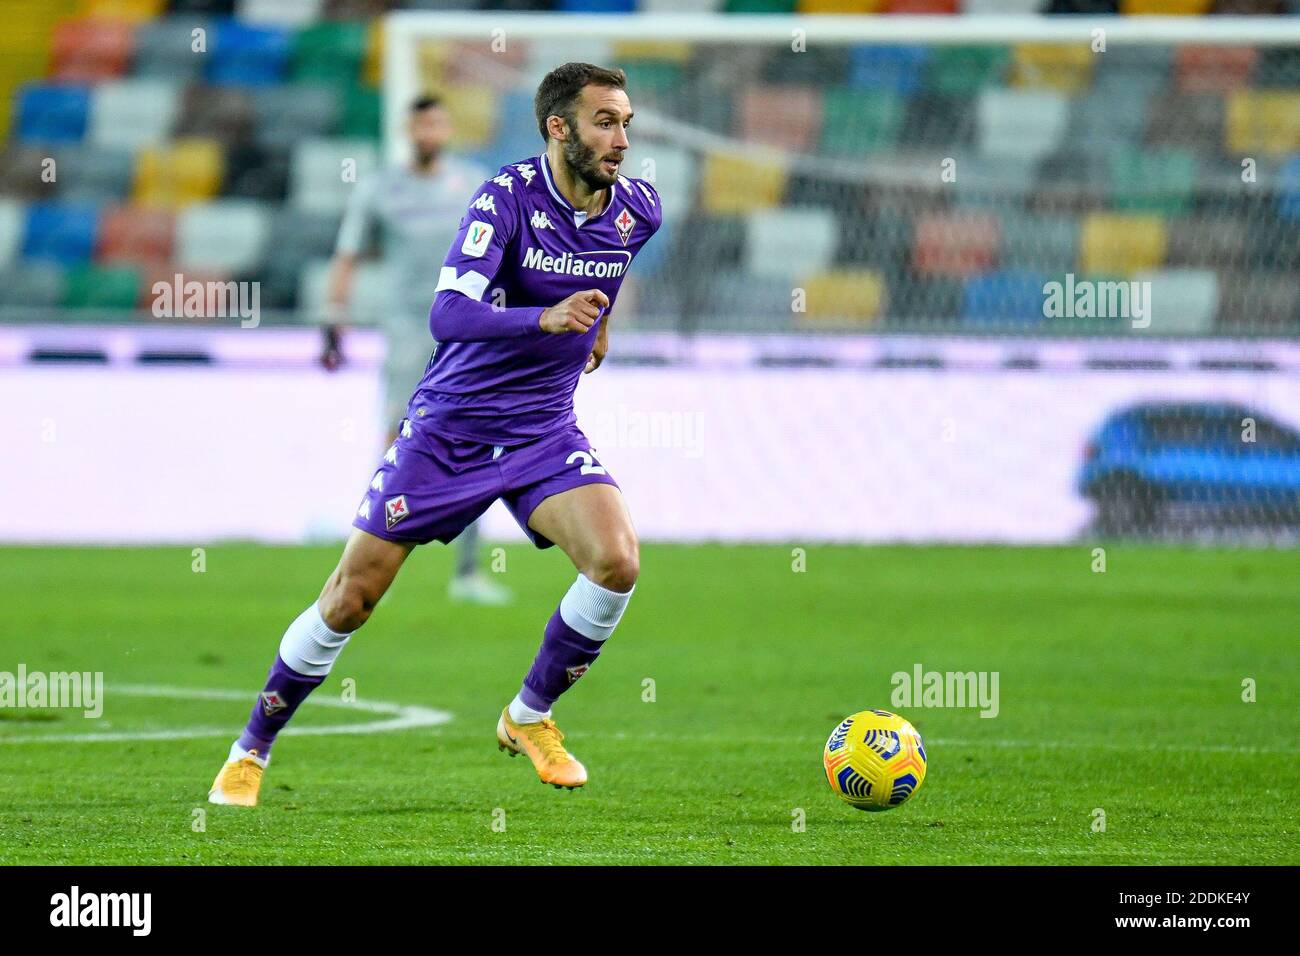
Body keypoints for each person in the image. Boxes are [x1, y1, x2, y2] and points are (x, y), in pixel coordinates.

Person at [209, 63, 661, 806]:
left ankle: (529, 716)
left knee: (616, 562)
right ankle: (249, 750)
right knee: (353, 597)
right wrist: (543, 319)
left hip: (542, 428)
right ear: (559, 127)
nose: (621, 139)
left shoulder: (638, 209)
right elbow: (447, 316)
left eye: (627, 123)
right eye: (605, 122)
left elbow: (612, 263)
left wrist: (600, 319)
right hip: (450, 428)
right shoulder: (504, 200)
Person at [327, 94, 509, 606]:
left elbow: (508, 251)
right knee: (397, 441)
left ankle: (468, 572)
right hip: (408, 333)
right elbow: (348, 255)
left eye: (437, 122)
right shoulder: (380, 188)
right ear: (409, 130)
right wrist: (332, 318)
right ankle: (361, 565)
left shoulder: (473, 185)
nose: (429, 132)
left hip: (468, 333)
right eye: (420, 123)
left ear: (447, 129)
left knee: (477, 439)